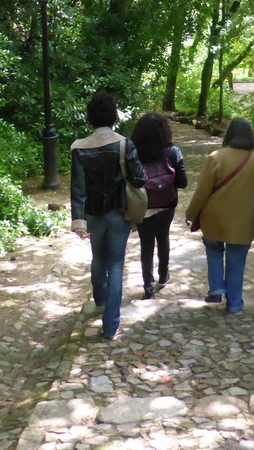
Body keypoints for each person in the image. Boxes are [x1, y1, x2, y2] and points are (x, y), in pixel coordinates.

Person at [70, 91, 145, 340]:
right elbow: (138, 178)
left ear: (90, 118)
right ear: (114, 117)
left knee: (98, 258)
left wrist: (77, 220)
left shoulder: (79, 147)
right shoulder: (124, 144)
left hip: (93, 214)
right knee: (115, 264)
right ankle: (111, 325)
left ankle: (100, 301)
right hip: (118, 214)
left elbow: (78, 187)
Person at [184, 118, 254, 314]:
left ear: (229, 134)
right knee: (237, 259)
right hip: (244, 221)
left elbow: (203, 191)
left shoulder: (216, 157)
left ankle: (216, 288)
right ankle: (235, 303)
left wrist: (191, 213)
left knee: (213, 248)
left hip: (215, 218)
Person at [130, 112, 188, 300]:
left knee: (146, 245)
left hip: (143, 204)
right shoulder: (172, 152)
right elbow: (182, 183)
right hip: (166, 203)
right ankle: (164, 275)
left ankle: (148, 286)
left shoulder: (133, 152)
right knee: (163, 238)